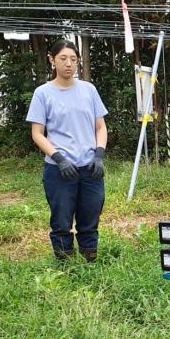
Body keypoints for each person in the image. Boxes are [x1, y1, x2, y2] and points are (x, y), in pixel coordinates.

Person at [27, 39, 108, 262]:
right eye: (63, 58)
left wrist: (99, 155)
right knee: (61, 219)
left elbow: (100, 127)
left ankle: (90, 259)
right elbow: (37, 133)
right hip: (60, 169)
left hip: (90, 168)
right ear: (52, 60)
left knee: (90, 215)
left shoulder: (89, 90)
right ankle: (65, 263)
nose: (68, 64)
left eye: (73, 59)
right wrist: (59, 158)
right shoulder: (43, 93)